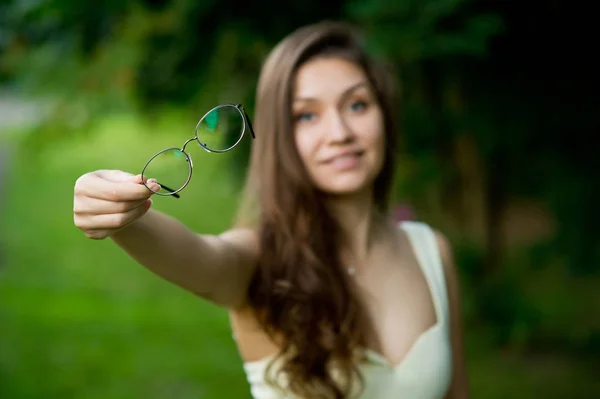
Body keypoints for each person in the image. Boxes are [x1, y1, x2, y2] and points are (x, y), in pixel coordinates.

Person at [73, 21, 469, 399]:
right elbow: (203, 257)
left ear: (386, 115)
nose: (340, 134)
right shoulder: (260, 261)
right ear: (280, 136)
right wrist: (121, 216)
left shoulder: (431, 252)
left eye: (357, 105)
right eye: (307, 115)